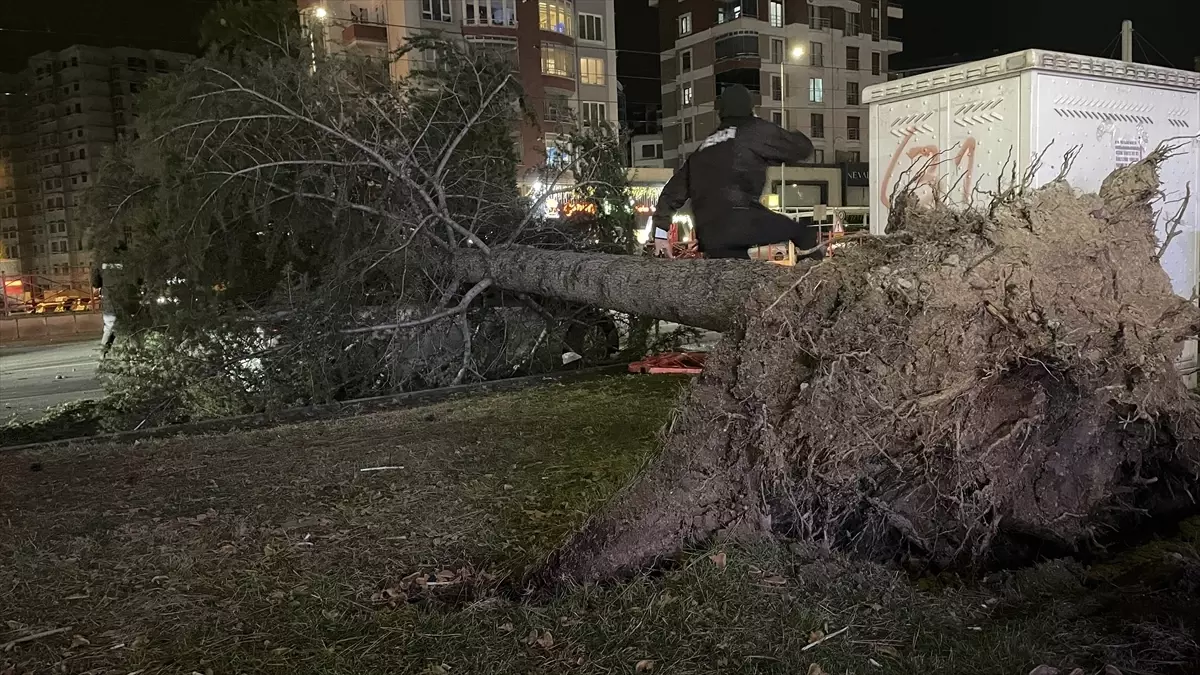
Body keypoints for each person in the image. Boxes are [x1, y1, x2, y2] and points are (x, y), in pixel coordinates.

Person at [652, 84, 820, 259]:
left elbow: (671, 193)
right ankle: (818, 278)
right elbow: (801, 149)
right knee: (802, 232)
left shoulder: (704, 147)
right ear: (749, 107)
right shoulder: (753, 129)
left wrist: (660, 234)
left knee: (735, 276)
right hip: (742, 219)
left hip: (709, 234)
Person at [90, 243, 126, 358]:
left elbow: (95, 282)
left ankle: (103, 355)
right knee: (131, 325)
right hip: (128, 297)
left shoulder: (100, 262)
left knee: (110, 326)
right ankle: (136, 354)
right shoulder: (128, 260)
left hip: (110, 299)